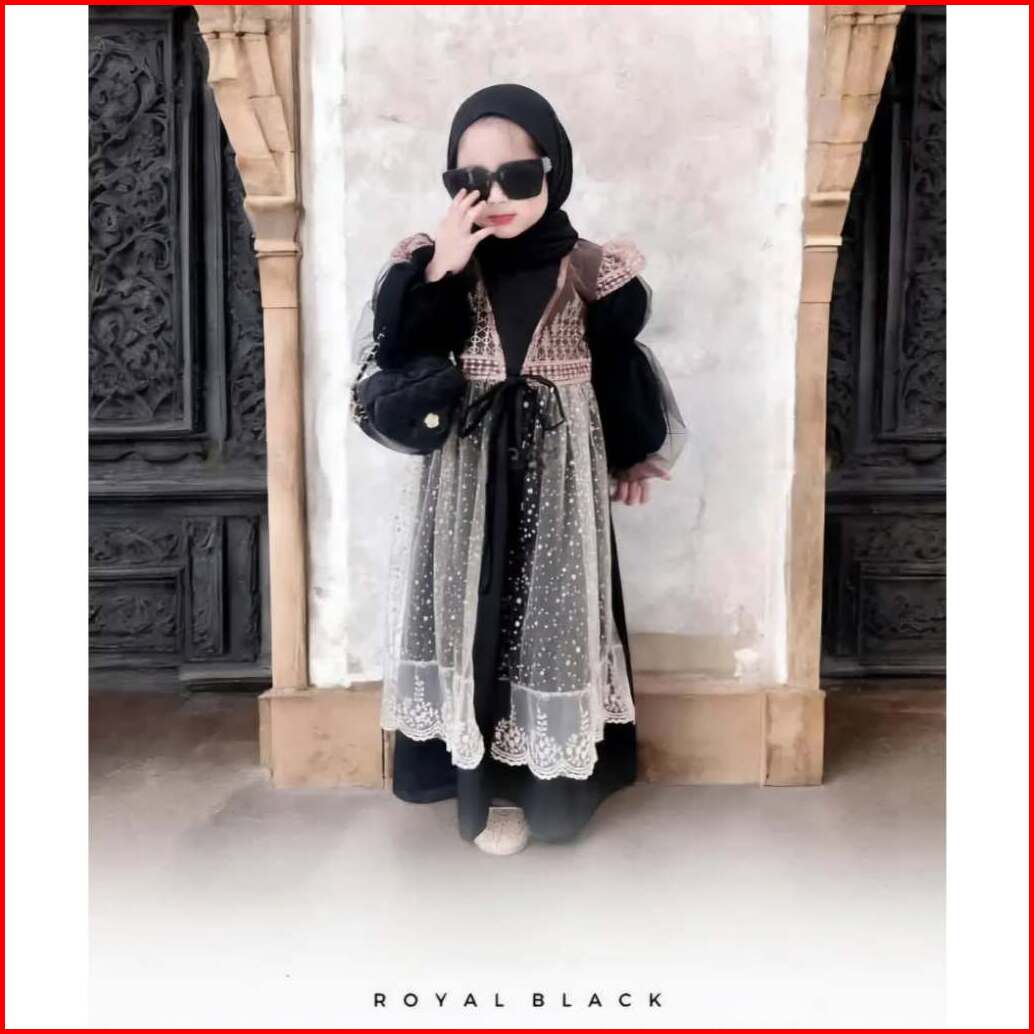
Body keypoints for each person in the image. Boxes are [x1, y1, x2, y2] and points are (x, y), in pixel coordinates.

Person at [360, 83, 686, 854]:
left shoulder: (593, 268)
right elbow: (400, 351)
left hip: (557, 471)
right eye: (470, 181)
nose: (495, 197)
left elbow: (618, 366)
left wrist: (634, 451)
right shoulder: (437, 263)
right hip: (467, 472)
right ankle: (489, 791)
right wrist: (443, 266)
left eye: (516, 175)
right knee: (474, 611)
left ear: (553, 169)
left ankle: (554, 785)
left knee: (552, 614)